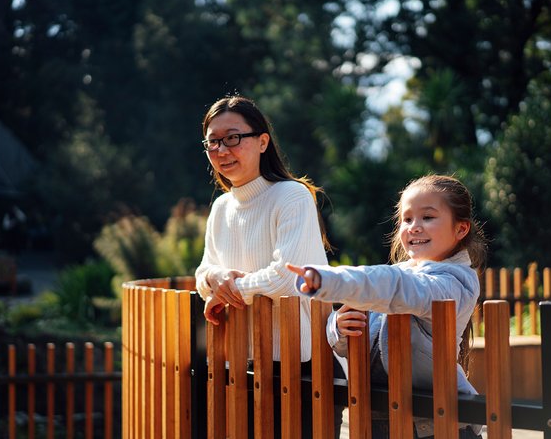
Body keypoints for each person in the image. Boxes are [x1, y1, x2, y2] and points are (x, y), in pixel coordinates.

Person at [286, 174, 486, 439]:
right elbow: (365, 343)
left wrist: (330, 280)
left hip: (436, 424)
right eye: (407, 219)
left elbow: (397, 286)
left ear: (461, 229)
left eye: (427, 217)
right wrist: (338, 329)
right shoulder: (399, 275)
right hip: (382, 416)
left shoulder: (453, 282)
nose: (414, 227)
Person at [194, 95, 334, 437]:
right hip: (237, 359)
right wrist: (217, 276)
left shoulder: (292, 196)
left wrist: (228, 290)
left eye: (232, 138)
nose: (222, 150)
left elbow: (287, 279)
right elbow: (201, 275)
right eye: (213, 142)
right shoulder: (221, 208)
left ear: (262, 141)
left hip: (296, 361)